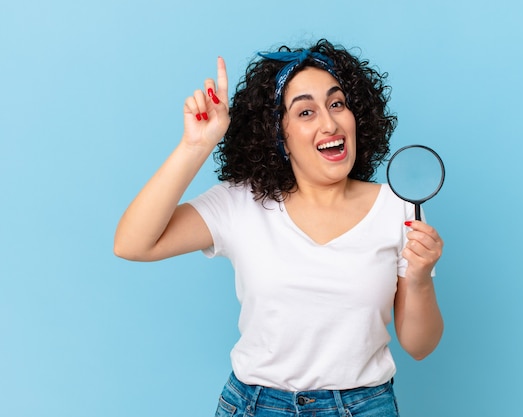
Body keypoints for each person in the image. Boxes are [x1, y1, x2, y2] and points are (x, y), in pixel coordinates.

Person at [114, 39, 444, 417]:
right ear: (278, 135)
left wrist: (419, 279)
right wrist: (195, 145)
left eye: (337, 104)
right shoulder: (241, 202)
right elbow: (131, 244)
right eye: (306, 112)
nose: (330, 122)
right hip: (255, 406)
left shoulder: (398, 207)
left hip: (365, 406)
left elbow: (420, 345)